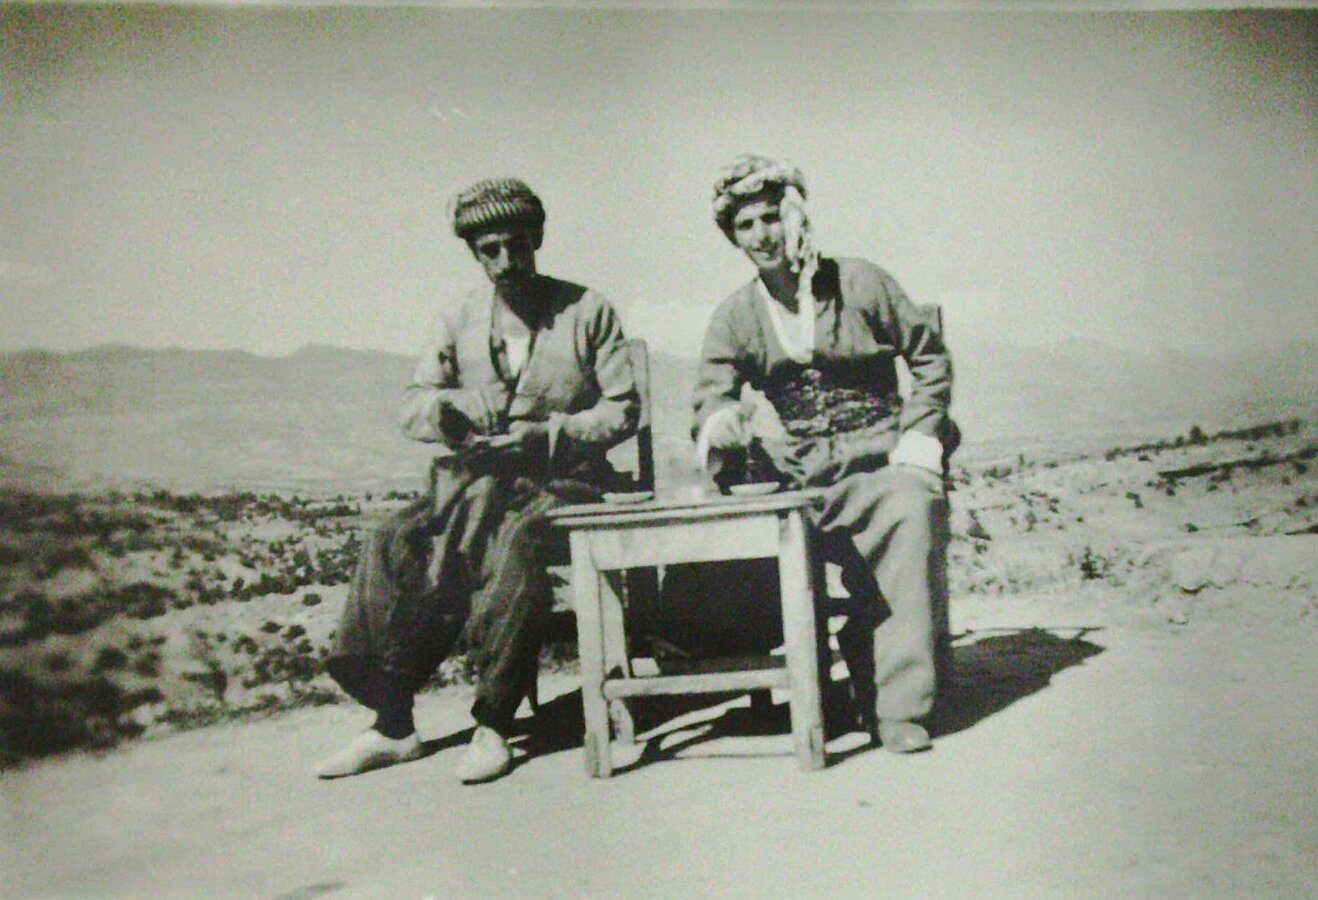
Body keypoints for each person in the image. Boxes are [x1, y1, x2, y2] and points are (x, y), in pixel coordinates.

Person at [315, 178, 640, 783]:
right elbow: (414, 404)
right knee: (393, 539)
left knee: (512, 545)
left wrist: (548, 435)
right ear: (474, 253)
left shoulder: (587, 311)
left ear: (537, 239)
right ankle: (392, 723)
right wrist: (451, 407)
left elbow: (623, 409)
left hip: (565, 484)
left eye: (517, 245)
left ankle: (494, 722)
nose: (506, 261)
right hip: (474, 482)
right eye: (490, 250)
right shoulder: (459, 318)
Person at [692, 154, 957, 753]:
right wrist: (722, 424)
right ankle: (818, 694)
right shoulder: (735, 316)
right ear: (733, 237)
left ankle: (898, 707)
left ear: (794, 216)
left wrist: (919, 436)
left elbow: (930, 359)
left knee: (909, 511)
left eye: (770, 218)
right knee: (739, 538)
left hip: (883, 458)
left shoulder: (860, 282)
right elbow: (710, 398)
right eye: (745, 226)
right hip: (803, 473)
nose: (762, 236)